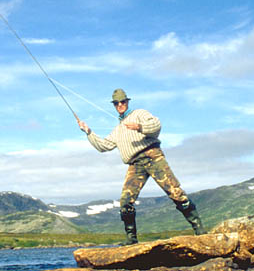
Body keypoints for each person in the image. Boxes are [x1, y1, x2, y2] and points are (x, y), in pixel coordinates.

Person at [77, 88, 205, 244]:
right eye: (116, 103)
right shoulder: (117, 130)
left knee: (175, 193)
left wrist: (139, 126)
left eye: (122, 102)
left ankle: (199, 229)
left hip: (153, 157)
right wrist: (88, 132)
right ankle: (131, 238)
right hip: (135, 164)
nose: (120, 105)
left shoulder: (140, 114)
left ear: (127, 101)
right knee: (125, 202)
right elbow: (103, 146)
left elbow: (156, 125)